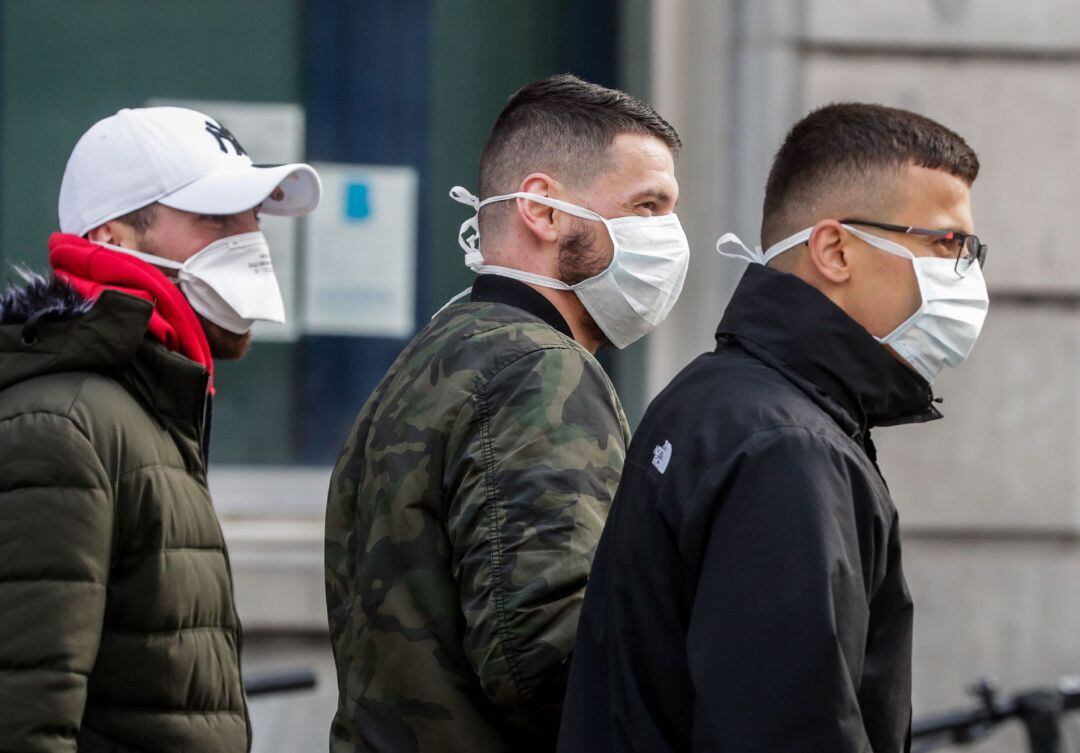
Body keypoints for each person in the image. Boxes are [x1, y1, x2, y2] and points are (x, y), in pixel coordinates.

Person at [557, 102, 990, 753]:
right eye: (946, 243)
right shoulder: (787, 447)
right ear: (836, 249)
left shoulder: (718, 397)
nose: (967, 273)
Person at [324, 73, 688, 753]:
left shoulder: (435, 354)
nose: (668, 238)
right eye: (647, 206)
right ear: (542, 210)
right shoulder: (538, 369)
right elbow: (549, 659)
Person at [0, 106, 320, 751]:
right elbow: (23, 716)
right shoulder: (62, 427)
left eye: (252, 220)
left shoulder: (146, 407)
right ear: (113, 239)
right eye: (215, 219)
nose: (249, 242)